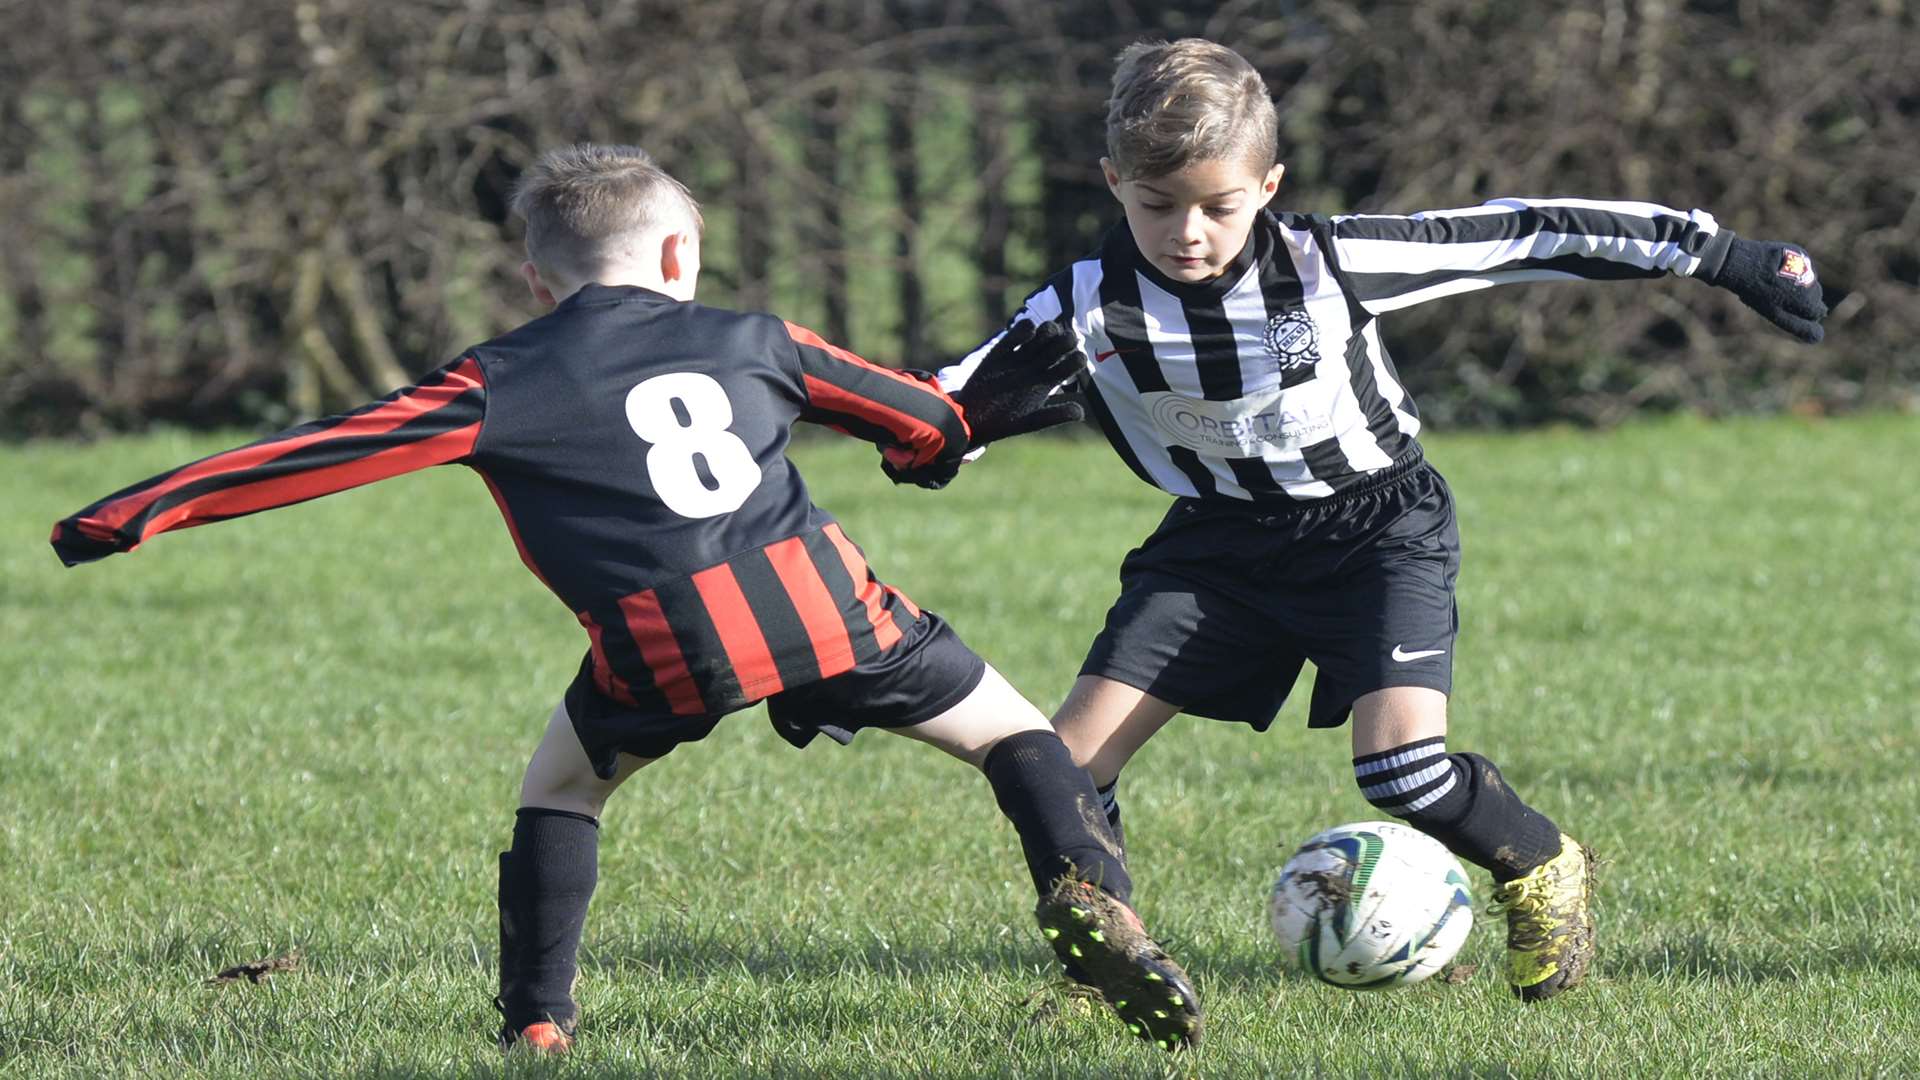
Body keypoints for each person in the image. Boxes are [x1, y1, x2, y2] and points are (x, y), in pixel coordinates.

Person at [48, 143, 1203, 1052]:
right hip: (826, 607)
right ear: (679, 255)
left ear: (537, 281)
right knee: (1014, 736)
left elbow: (317, 450)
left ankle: (538, 1023)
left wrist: (132, 511)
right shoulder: (758, 337)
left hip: (662, 645)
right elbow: (922, 420)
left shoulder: (491, 381)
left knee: (560, 791)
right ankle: (1096, 905)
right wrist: (952, 434)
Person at [894, 38, 1829, 1003]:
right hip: (1217, 544)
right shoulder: (1083, 305)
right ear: (1114, 184)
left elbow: (1524, 233)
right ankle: (1105, 969)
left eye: (1217, 206)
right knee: (1066, 768)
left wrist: (1720, 254)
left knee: (1405, 775)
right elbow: (949, 399)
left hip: (1378, 531)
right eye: (1156, 205)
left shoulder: (1328, 262)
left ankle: (1543, 862)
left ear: (1268, 185)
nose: (1187, 232)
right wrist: (920, 436)